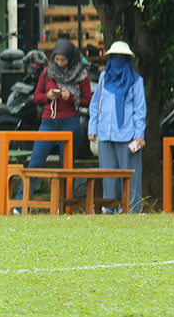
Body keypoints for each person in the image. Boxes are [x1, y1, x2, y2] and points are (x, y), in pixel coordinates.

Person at [23, 38, 92, 201]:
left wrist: (70, 97)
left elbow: (88, 101)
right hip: (49, 120)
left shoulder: (81, 74)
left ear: (71, 59)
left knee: (67, 165)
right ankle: (21, 204)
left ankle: (65, 204)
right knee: (36, 162)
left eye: (63, 59)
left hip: (70, 121)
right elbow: (36, 97)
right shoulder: (48, 72)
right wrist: (47, 96)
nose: (59, 63)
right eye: (57, 59)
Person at [88, 41, 146, 213]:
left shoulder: (136, 81)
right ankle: (110, 208)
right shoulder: (104, 77)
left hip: (128, 134)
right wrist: (93, 127)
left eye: (122, 57)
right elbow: (94, 103)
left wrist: (139, 134)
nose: (118, 60)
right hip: (105, 133)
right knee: (108, 175)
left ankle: (133, 208)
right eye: (115, 57)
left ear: (128, 60)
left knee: (131, 175)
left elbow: (140, 109)